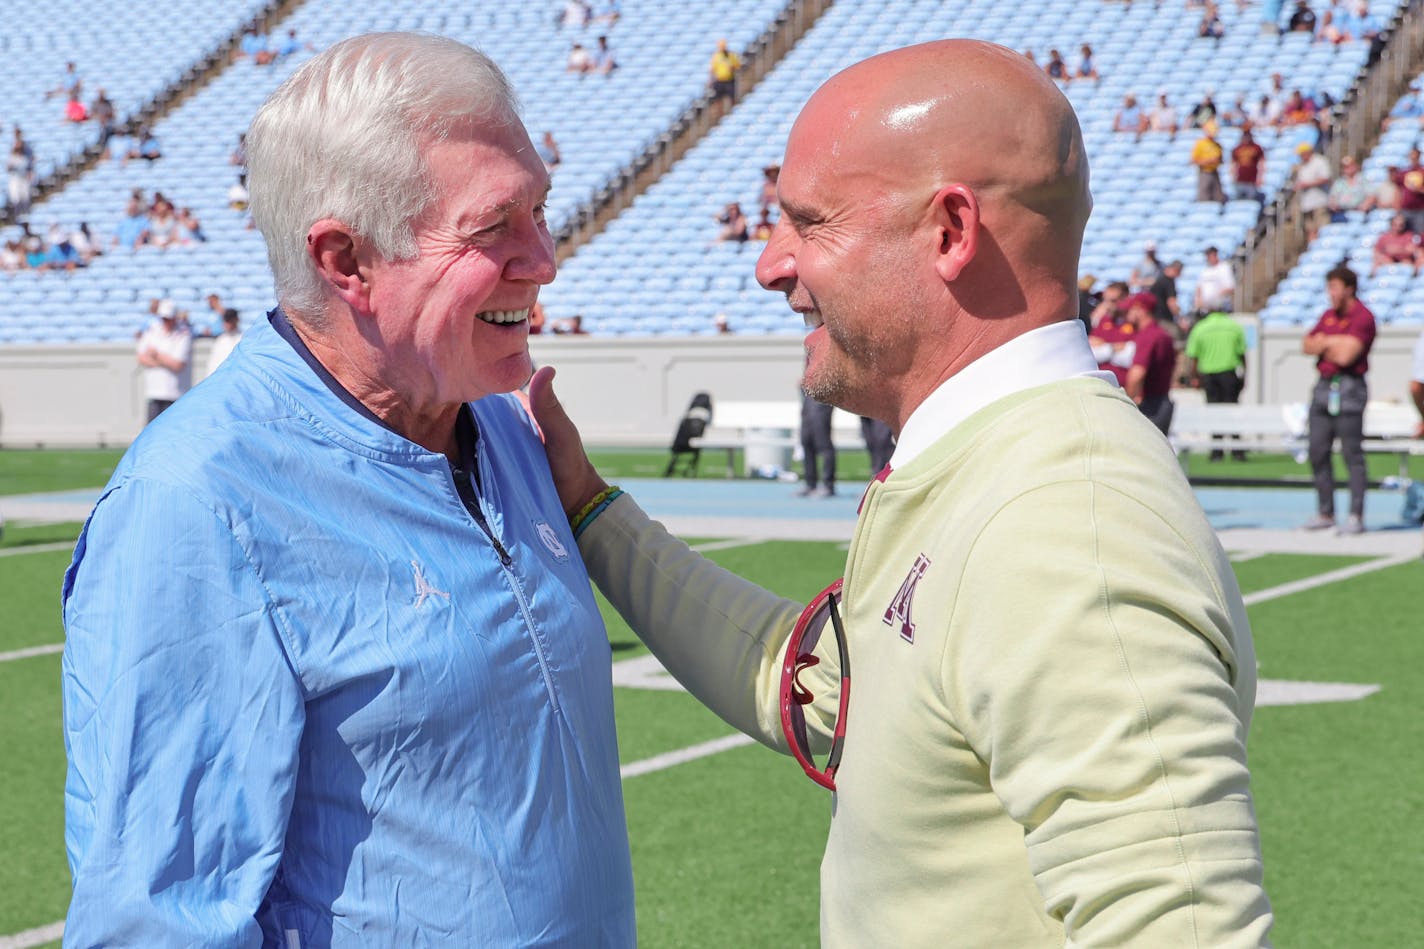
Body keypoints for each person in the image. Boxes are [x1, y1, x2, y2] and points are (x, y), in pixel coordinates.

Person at [530, 39, 1271, 946]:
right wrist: (590, 509)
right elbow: (813, 685)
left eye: (811, 223)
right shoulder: (993, 466)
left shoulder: (1064, 520)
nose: (770, 264)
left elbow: (1181, 928)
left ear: (951, 233)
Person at [60, 33, 635, 945]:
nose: (545, 257)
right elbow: (157, 918)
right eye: (495, 227)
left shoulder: (501, 424)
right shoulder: (198, 501)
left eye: (541, 210)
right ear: (346, 261)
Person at [1302, 265, 1376, 534]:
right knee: (1318, 450)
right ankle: (1325, 512)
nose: (1330, 294)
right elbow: (1306, 345)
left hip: (1349, 388)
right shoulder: (1328, 315)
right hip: (1323, 387)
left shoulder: (1363, 317)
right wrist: (1333, 342)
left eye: (1334, 287)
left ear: (1349, 288)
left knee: (1351, 453)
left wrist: (1324, 343)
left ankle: (1356, 515)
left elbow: (1347, 356)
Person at [1186, 308, 1249, 460]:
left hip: (1209, 375)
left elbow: (1194, 357)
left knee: (1213, 412)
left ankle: (1216, 451)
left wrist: (1194, 377)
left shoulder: (1200, 328)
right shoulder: (1234, 326)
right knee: (1232, 411)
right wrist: (1245, 375)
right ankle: (1237, 451)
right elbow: (1242, 355)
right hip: (1229, 373)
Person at [1123, 292, 1178, 434]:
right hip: (1159, 401)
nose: (1126, 314)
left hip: (1151, 405)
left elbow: (1137, 373)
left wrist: (1126, 403)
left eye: (1130, 310)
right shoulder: (1160, 334)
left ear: (1141, 310)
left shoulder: (1149, 335)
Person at [135, 299, 192, 420]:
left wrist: (156, 355)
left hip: (175, 394)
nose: (166, 322)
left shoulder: (183, 334)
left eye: (168, 319)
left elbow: (177, 365)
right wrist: (165, 361)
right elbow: (141, 357)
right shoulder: (152, 331)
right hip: (154, 391)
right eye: (163, 319)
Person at [797, 389, 836, 497]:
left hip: (822, 397)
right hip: (808, 399)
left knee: (824, 444)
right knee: (806, 441)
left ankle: (828, 485)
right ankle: (810, 484)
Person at [1292, 143, 1332, 241]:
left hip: (1320, 201)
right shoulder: (1301, 165)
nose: (1300, 156)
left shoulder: (1319, 161)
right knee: (1310, 228)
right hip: (1306, 203)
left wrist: (1308, 184)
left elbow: (1326, 178)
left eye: (1302, 154)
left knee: (1322, 227)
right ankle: (1312, 250)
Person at [1191, 120, 1227, 204]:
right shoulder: (1201, 144)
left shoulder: (1217, 145)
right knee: (1204, 195)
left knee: (1218, 196)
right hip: (1204, 172)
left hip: (1215, 171)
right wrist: (1209, 161)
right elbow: (1194, 160)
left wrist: (1217, 160)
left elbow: (1221, 160)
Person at [1195, 244, 1236, 314]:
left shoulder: (1224, 268)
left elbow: (1230, 288)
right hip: (1206, 309)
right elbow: (1199, 288)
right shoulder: (1205, 270)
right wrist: (1199, 300)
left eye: (1209, 255)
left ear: (1215, 254)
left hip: (1220, 308)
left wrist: (1213, 299)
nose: (1207, 258)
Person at [1231, 126, 1266, 205]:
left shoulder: (1256, 148)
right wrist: (1233, 177)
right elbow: (1233, 164)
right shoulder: (1237, 148)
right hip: (1240, 179)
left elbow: (1261, 163)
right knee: (1238, 202)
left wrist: (1260, 177)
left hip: (1252, 180)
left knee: (1251, 201)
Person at [205, 307, 242, 375]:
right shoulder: (220, 340)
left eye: (230, 320)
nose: (227, 324)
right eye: (226, 320)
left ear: (236, 320)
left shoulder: (243, 339)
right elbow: (213, 364)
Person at [709, 38, 742, 104]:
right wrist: (711, 80)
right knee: (718, 99)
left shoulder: (731, 55)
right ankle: (720, 113)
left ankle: (733, 111)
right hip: (719, 80)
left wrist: (733, 68)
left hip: (729, 80)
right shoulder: (716, 56)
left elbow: (738, 66)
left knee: (732, 97)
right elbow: (712, 70)